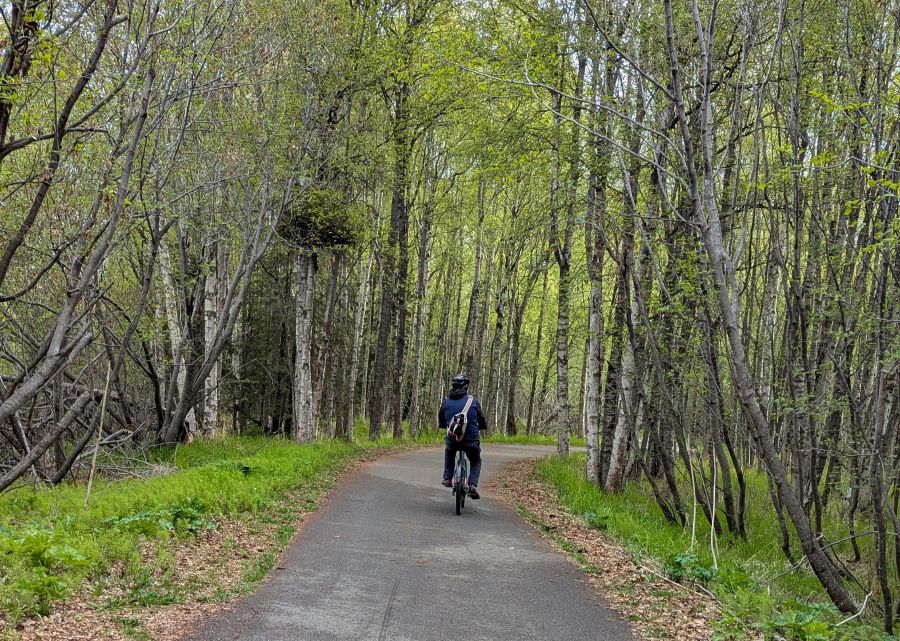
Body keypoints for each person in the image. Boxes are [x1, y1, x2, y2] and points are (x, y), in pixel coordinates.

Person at [439, 373, 487, 499]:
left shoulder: (446, 402)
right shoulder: (473, 402)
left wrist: (444, 425)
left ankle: (448, 478)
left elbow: (441, 419)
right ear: (466, 387)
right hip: (471, 440)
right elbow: (481, 419)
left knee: (449, 451)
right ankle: (472, 485)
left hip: (453, 438)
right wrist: (482, 426)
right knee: (476, 460)